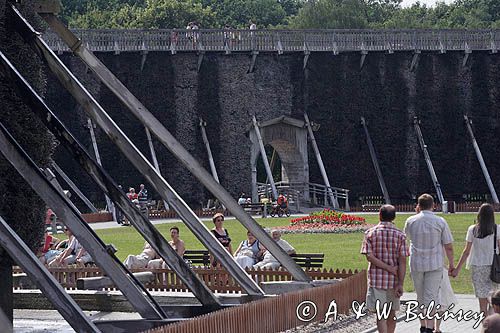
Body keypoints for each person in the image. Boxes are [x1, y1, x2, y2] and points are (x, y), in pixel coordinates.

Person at [404, 194, 454, 333]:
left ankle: (423, 325)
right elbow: (448, 245)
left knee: (420, 296)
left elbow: (405, 240)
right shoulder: (440, 221)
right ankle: (430, 327)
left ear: (418, 206)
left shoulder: (410, 221)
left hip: (417, 262)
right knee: (431, 296)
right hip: (435, 263)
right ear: (434, 205)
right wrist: (451, 264)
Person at [361, 205, 408, 333]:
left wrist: (387, 268)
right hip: (394, 281)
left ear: (379, 215)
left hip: (377, 280)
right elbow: (403, 261)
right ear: (394, 217)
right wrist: (400, 283)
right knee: (392, 313)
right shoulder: (400, 236)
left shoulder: (370, 233)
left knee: (380, 314)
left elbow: (369, 257)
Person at [453, 203, 499, 315]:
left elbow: (466, 251)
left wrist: (457, 269)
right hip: (494, 267)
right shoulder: (497, 229)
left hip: (477, 267)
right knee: (494, 299)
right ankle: (494, 324)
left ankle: (485, 327)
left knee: (482, 303)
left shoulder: (472, 230)